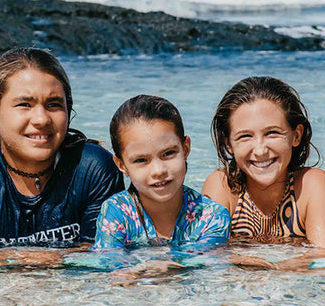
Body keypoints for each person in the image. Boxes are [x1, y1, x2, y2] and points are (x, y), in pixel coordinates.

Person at [0, 48, 124, 249]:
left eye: (53, 105)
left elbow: (102, 257)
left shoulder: (92, 170)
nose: (41, 119)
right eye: (25, 104)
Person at [202, 77, 325, 267]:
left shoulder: (311, 185)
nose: (260, 150)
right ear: (229, 144)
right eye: (245, 136)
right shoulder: (223, 187)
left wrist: (263, 267)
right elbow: (207, 256)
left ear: (296, 135)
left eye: (272, 133)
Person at [93, 95, 229, 253]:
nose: (158, 171)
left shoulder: (212, 217)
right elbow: (110, 265)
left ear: (185, 149)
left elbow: (208, 266)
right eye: (141, 160)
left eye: (168, 153)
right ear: (122, 165)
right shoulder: (117, 211)